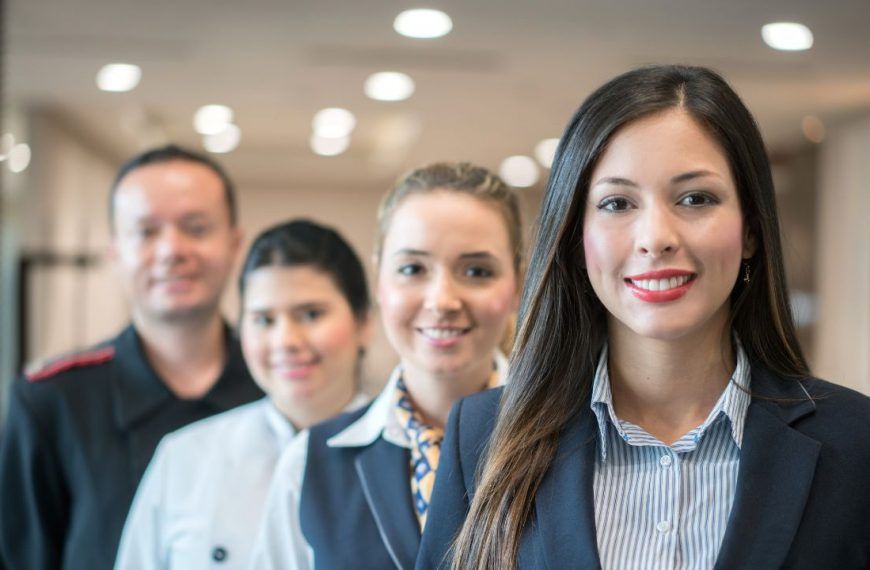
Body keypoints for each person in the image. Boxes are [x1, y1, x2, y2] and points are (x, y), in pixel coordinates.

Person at [418, 65, 870, 570]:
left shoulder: (855, 443)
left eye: (695, 198)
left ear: (751, 230)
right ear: (575, 237)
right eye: (617, 202)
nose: (656, 236)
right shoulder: (482, 436)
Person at [249, 162, 523, 569]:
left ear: (517, 282)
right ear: (379, 282)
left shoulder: (573, 441)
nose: (442, 300)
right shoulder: (312, 462)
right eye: (413, 269)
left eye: (477, 271)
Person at [0, 144, 263, 569]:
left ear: (235, 244)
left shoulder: (278, 389)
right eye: (146, 232)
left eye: (196, 227)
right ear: (114, 252)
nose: (171, 250)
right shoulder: (52, 401)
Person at [114, 219, 373, 569]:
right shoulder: (184, 458)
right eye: (264, 320)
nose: (286, 342)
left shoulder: (410, 458)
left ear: (364, 323)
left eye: (311, 314)